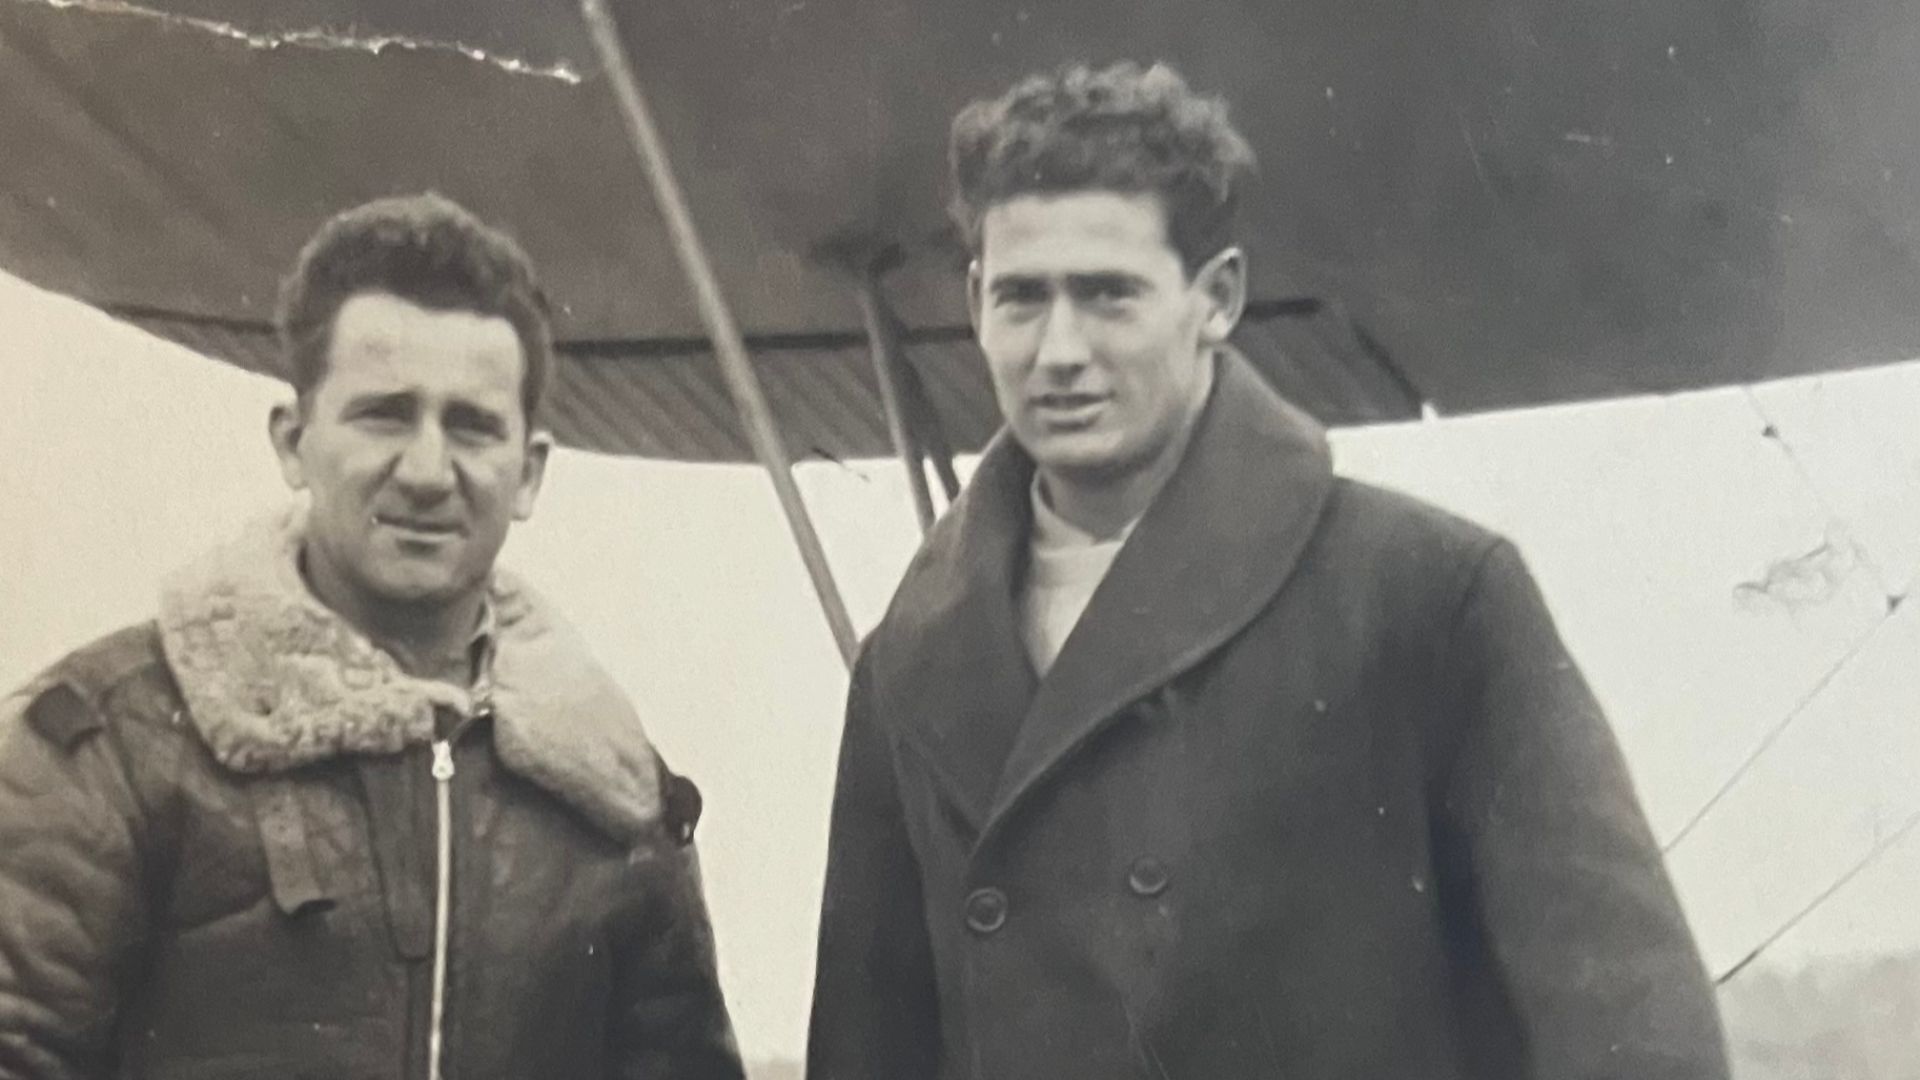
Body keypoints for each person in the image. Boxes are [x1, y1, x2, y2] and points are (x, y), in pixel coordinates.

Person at [807, 62, 1729, 1080]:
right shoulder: (911, 665)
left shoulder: (1431, 594)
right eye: (1023, 299)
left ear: (1217, 299)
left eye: (1109, 295)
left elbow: (1634, 1035)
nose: (1058, 350)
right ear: (977, 301)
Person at [0, 194, 743, 1079]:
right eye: (384, 414)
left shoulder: (611, 790)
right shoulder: (105, 744)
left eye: (472, 427)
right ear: (292, 441)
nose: (428, 471)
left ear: (529, 473)